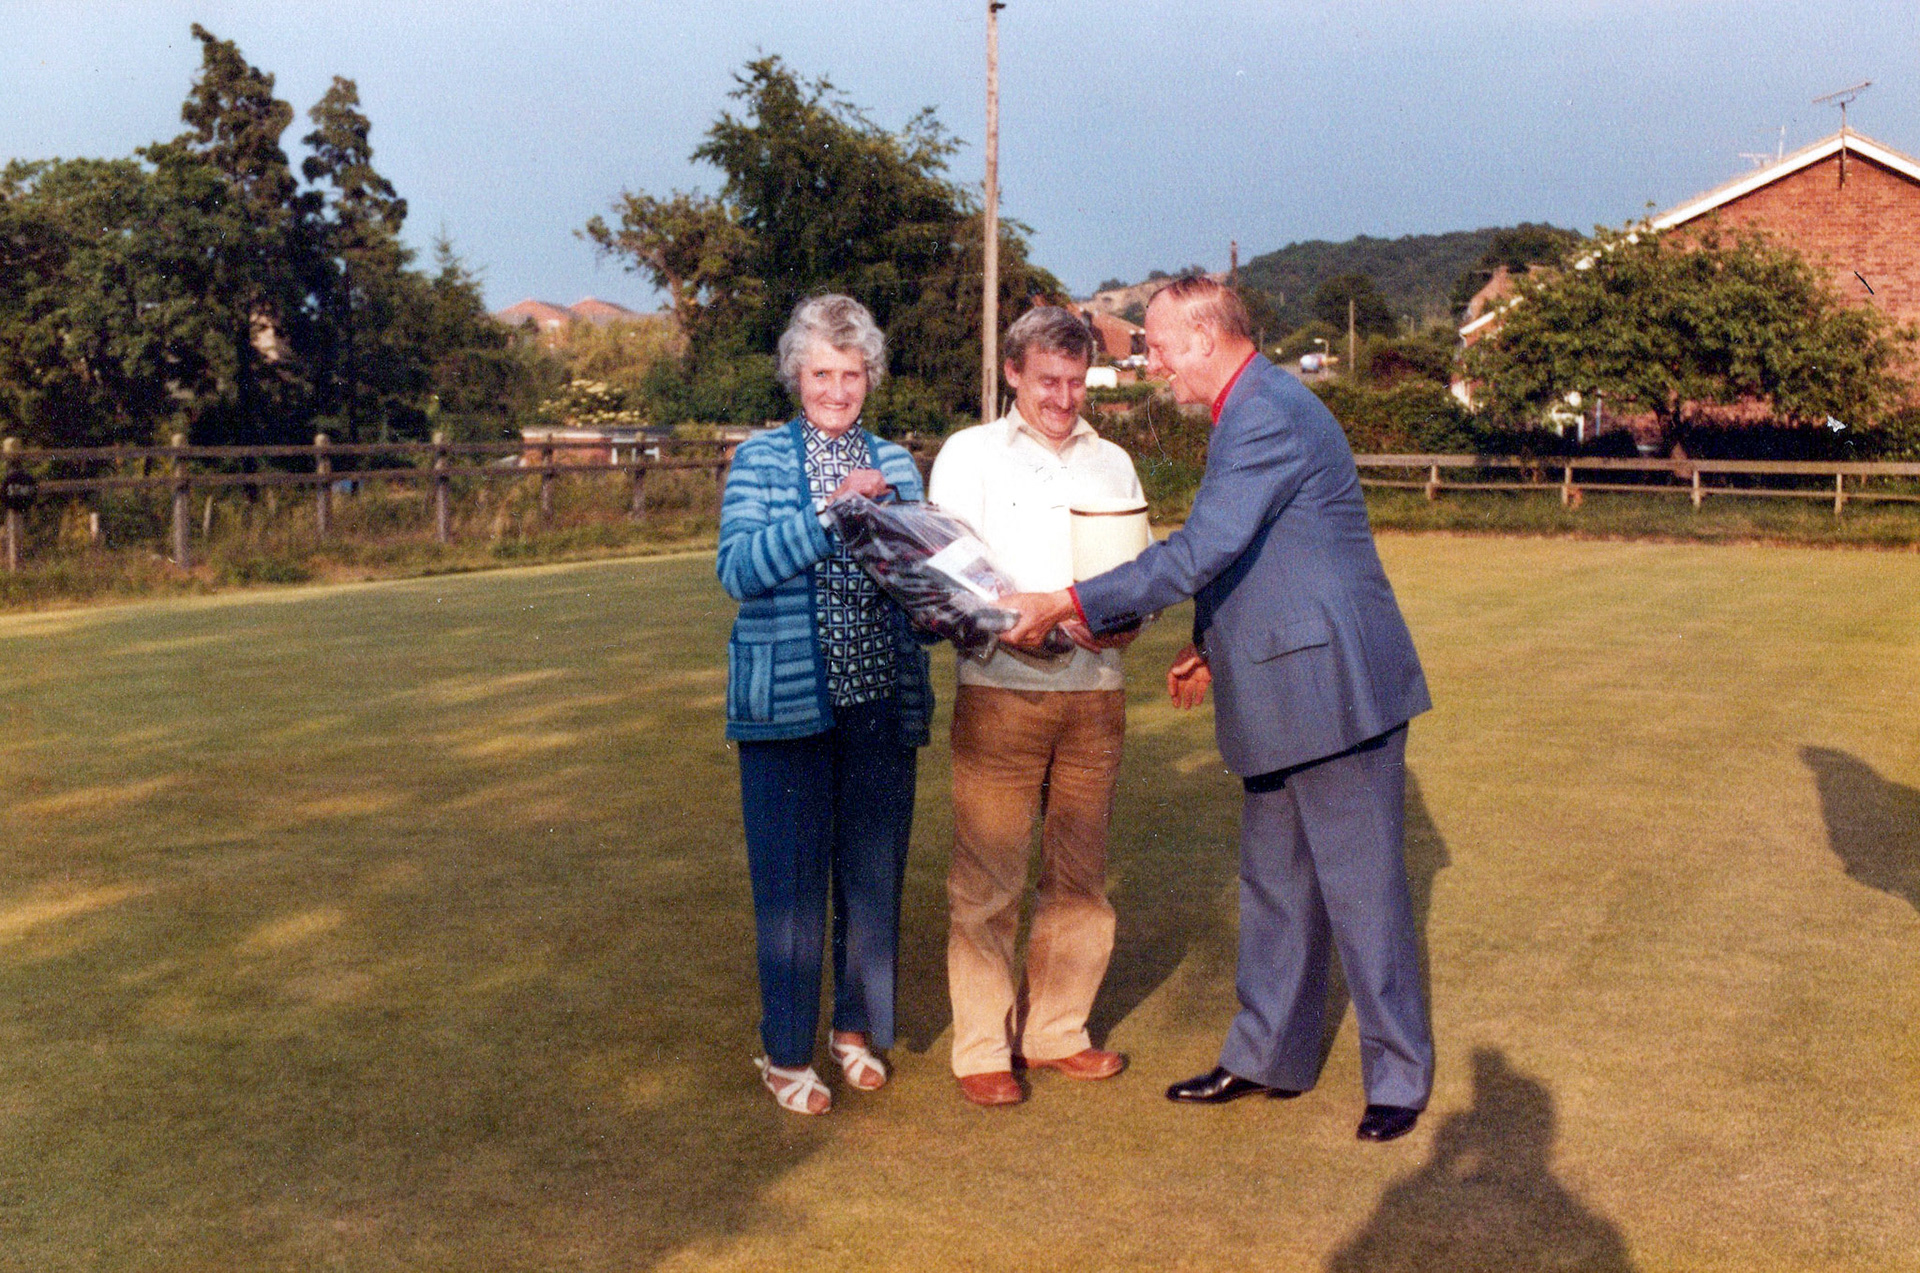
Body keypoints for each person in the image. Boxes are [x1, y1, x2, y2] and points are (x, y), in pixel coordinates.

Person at [1000, 276, 1436, 1142]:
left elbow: (1204, 545)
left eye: (1157, 345)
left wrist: (1068, 601)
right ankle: (1266, 1054)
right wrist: (1207, 637)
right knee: (1275, 887)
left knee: (1363, 896)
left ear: (1204, 340)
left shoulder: (1265, 410)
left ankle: (1398, 1077)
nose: (1151, 362)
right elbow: (1250, 549)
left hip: (1332, 692)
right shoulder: (1249, 409)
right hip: (1281, 684)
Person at [716, 294, 934, 1116]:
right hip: (785, 708)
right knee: (792, 888)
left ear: (870, 377)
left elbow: (921, 583)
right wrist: (834, 511)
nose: (837, 389)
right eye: (821, 373)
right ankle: (783, 1053)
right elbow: (738, 569)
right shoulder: (763, 460)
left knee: (873, 880)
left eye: (851, 373)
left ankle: (852, 1032)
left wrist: (954, 603)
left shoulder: (899, 462)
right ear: (796, 377)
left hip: (879, 700)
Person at [927, 306, 1145, 1107]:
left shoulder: (1114, 461)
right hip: (1000, 691)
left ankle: (1057, 1032)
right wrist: (1020, 623)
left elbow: (1138, 571)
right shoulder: (968, 455)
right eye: (1047, 380)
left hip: (1097, 694)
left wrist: (1125, 617)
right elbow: (948, 578)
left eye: (1076, 380)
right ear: (1012, 373)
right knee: (987, 878)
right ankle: (982, 1046)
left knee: (1081, 876)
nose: (1064, 397)